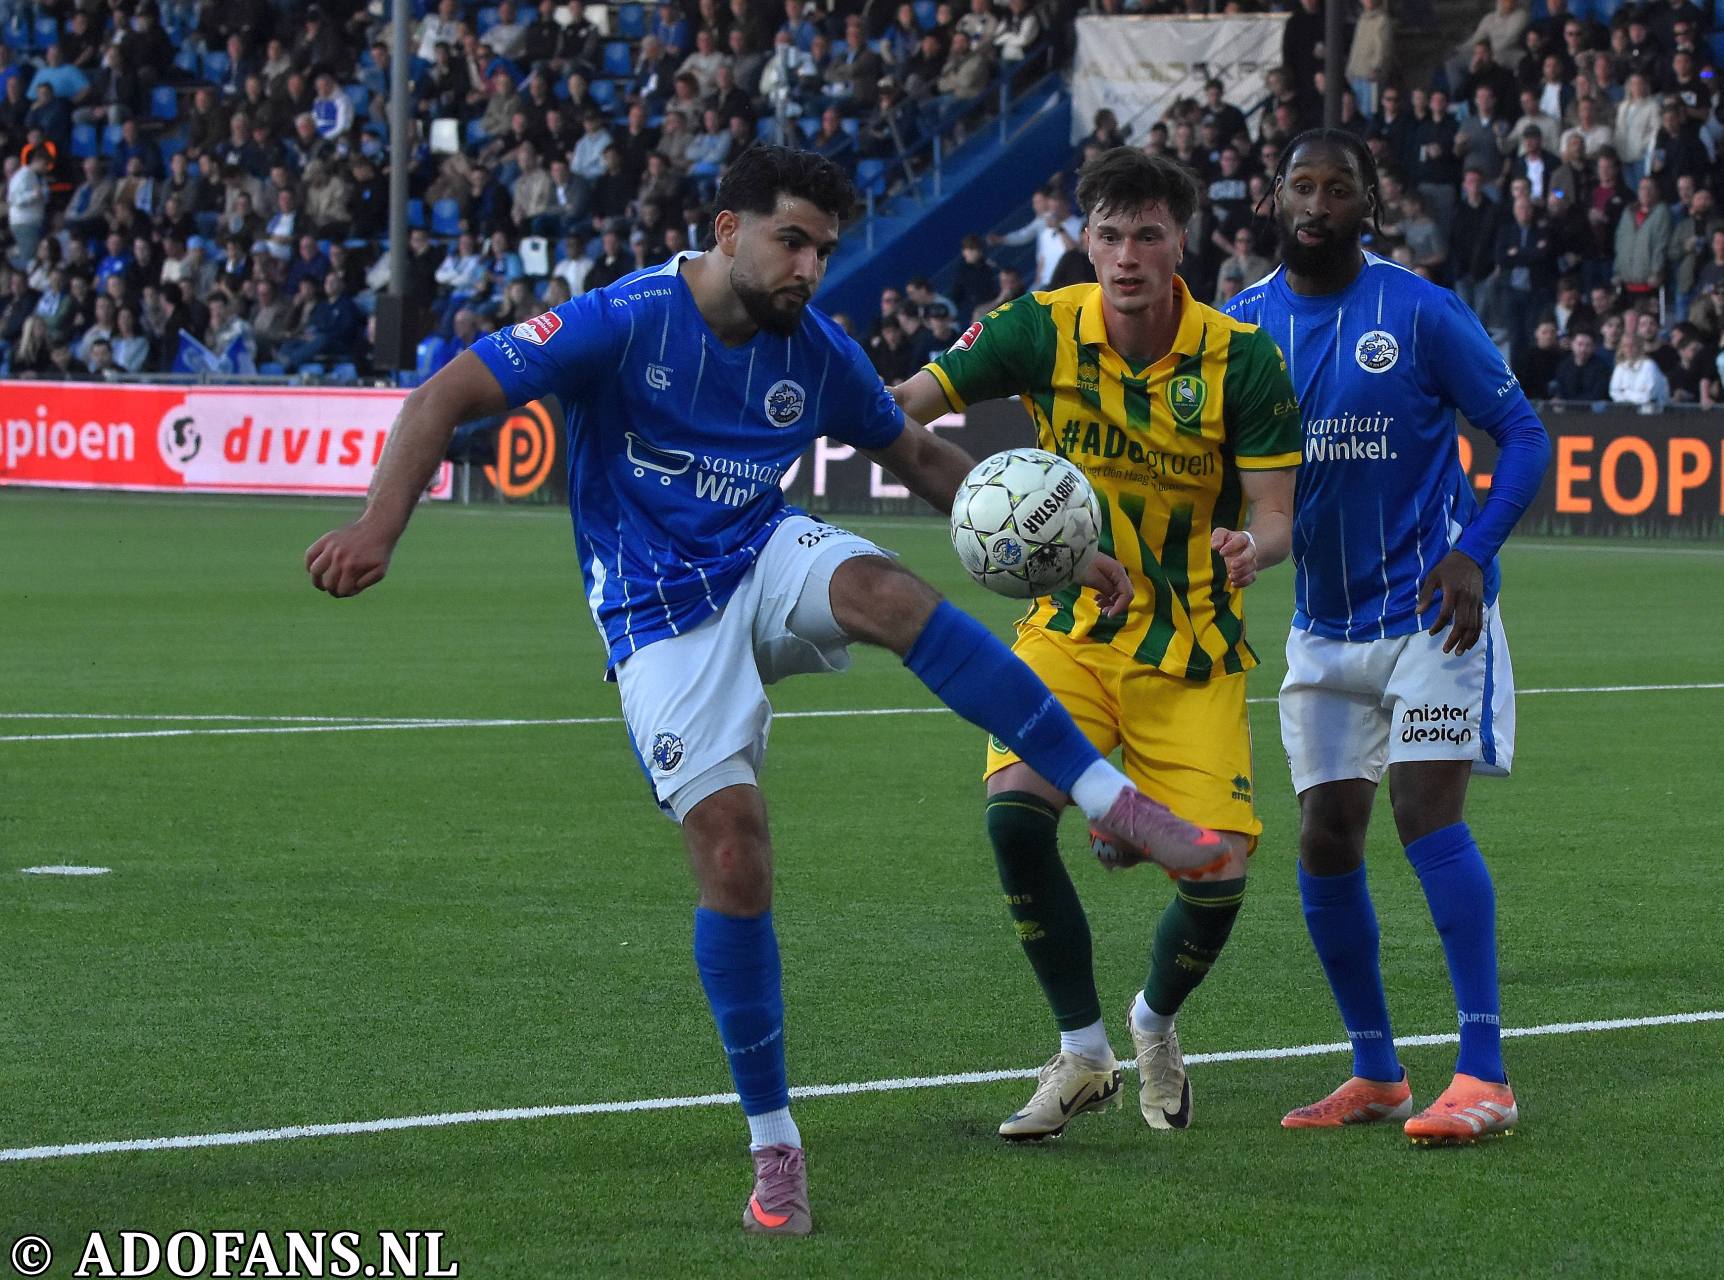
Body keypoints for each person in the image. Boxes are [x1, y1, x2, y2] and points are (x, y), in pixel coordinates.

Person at [302, 145, 1225, 1238]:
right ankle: (775, 1144)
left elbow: (918, 456)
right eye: (792, 242)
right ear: (727, 229)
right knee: (735, 852)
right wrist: (381, 523)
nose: (809, 269)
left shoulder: (813, 347)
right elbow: (447, 391)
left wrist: (1064, 550)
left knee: (889, 592)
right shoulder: (624, 320)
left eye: (823, 250)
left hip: (760, 553)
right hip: (657, 616)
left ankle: (1117, 801)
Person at [889, 147, 1303, 1141]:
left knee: (1217, 877)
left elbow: (1276, 514)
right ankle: (1081, 1054)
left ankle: (1152, 1022)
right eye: (1109, 235)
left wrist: (1253, 546)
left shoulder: (1242, 358)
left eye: (1147, 235)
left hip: (1191, 646)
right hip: (1069, 634)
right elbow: (905, 407)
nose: (1126, 257)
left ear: (1181, 243)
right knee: (1014, 819)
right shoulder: (1038, 326)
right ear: (1085, 239)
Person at [1221, 129, 1550, 1145]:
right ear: (1275, 197)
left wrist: (1473, 552)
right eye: (1302, 186)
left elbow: (1524, 434)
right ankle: (1377, 1072)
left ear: (1371, 203)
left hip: (1433, 614)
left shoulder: (1419, 310)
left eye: (1340, 188)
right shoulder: (1239, 328)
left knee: (1424, 815)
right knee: (1325, 836)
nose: (1318, 205)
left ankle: (1485, 1072)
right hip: (1323, 624)